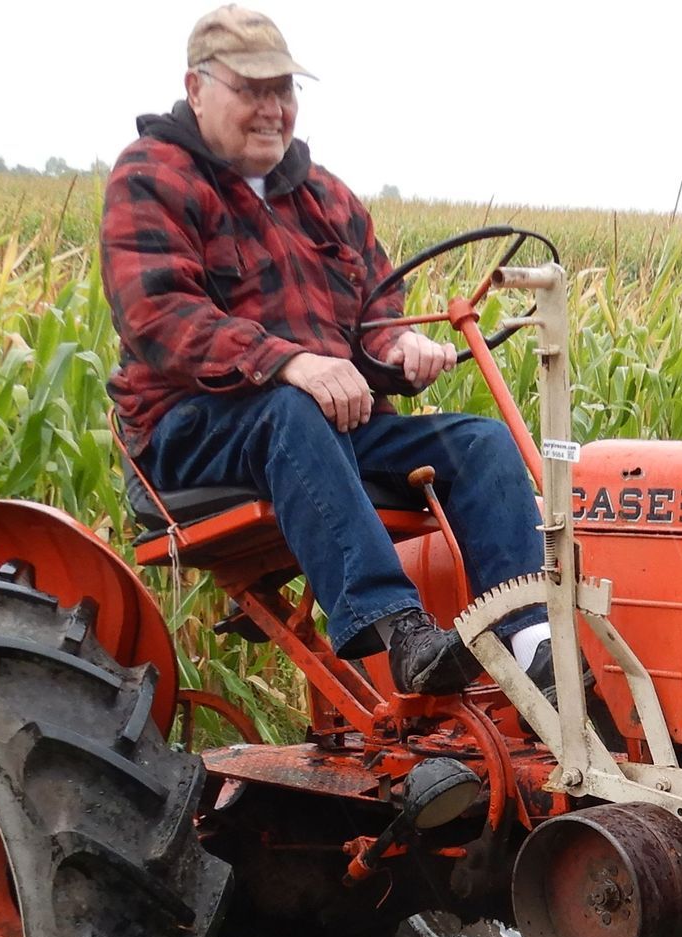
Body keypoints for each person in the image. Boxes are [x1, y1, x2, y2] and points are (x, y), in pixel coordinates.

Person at [100, 5, 550, 696]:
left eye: (283, 91)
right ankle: (397, 629)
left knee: (480, 444)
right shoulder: (152, 176)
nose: (272, 109)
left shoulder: (323, 196)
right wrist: (290, 362)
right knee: (289, 409)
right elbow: (158, 315)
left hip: (323, 429)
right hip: (190, 430)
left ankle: (529, 642)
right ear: (196, 89)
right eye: (251, 90)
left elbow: (372, 317)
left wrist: (399, 346)